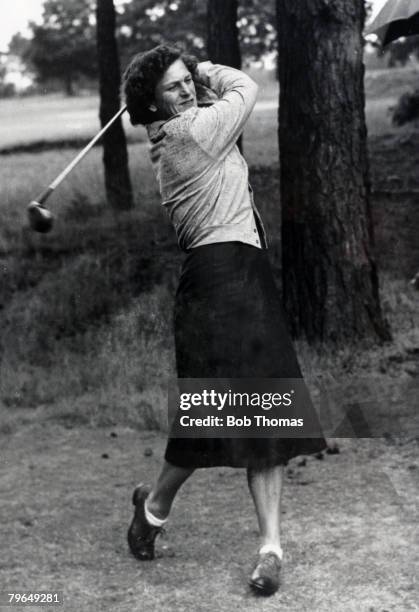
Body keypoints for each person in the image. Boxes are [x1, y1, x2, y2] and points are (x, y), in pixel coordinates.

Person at [122, 44, 326, 597]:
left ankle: (270, 550)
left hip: (246, 271)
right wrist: (207, 67)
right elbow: (247, 88)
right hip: (215, 281)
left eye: (188, 79)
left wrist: (184, 75)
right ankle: (154, 508)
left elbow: (216, 99)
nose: (187, 88)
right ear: (154, 102)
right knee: (208, 418)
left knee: (268, 412)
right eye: (173, 85)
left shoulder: (182, 128)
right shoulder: (190, 134)